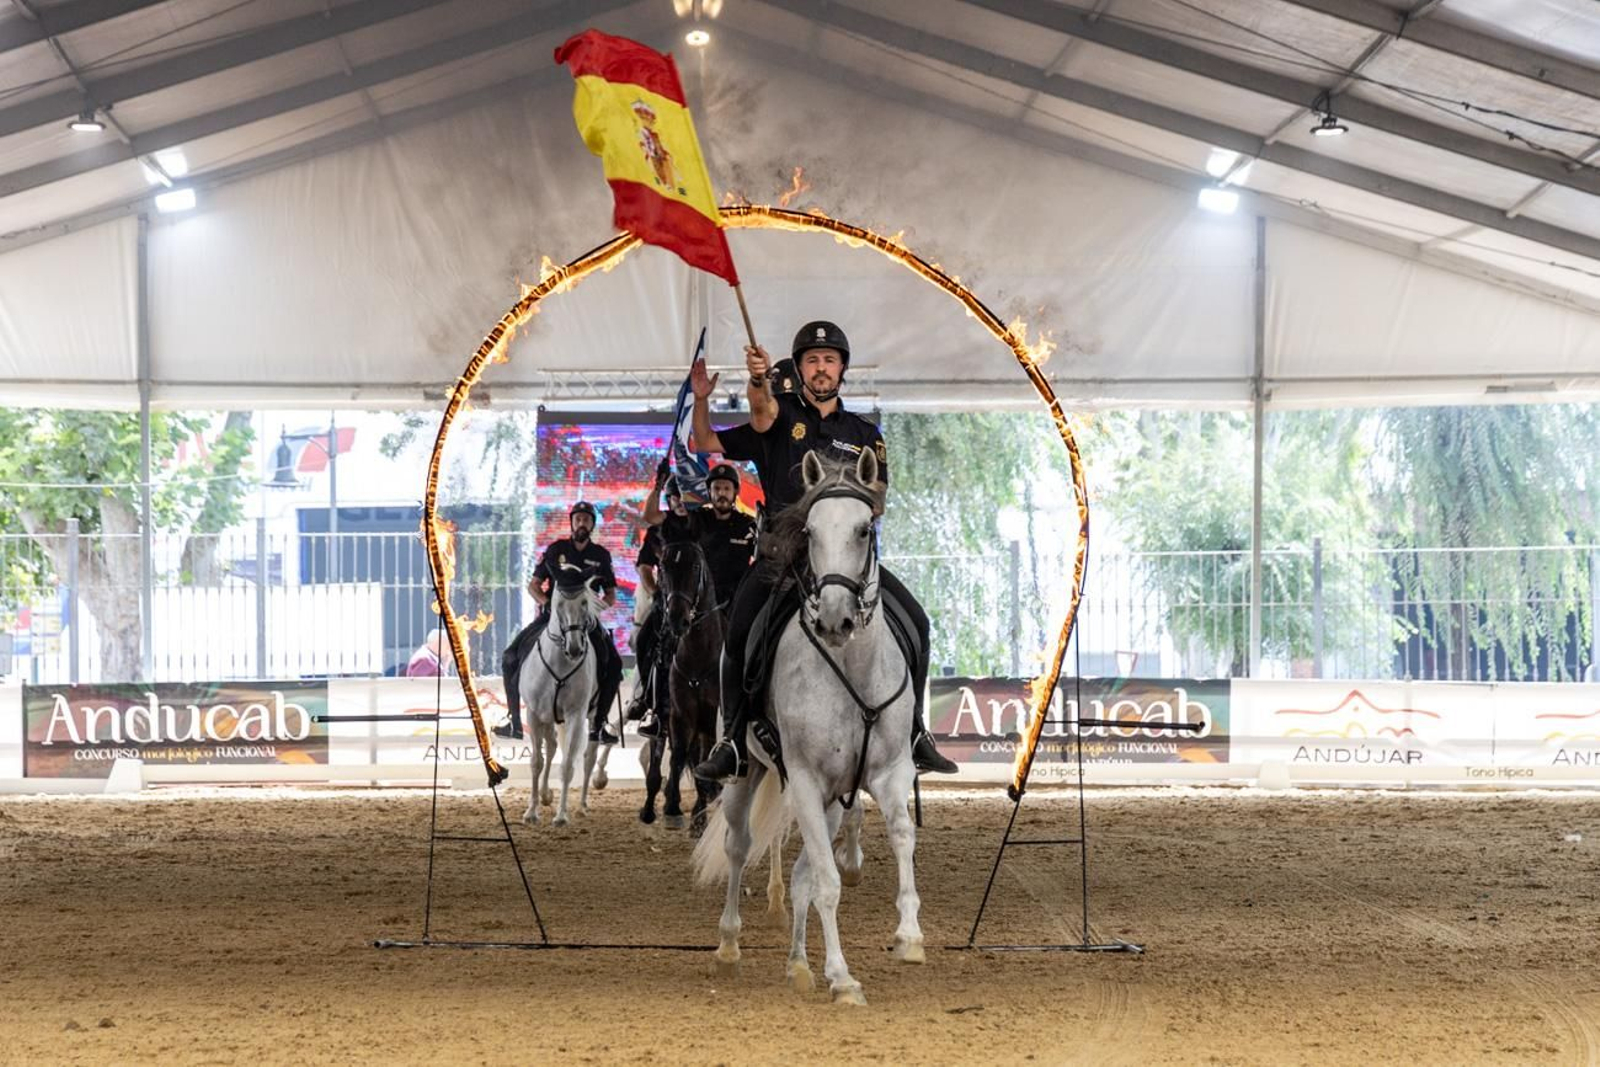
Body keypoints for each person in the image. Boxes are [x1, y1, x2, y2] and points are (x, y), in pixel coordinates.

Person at [689, 320, 957, 782]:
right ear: (799, 367)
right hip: (781, 561)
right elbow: (747, 417)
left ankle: (914, 732)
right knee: (737, 638)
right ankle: (732, 740)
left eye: (829, 360)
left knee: (917, 622)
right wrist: (753, 380)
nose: (821, 368)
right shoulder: (779, 417)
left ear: (842, 369)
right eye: (812, 360)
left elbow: (878, 500)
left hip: (845, 562)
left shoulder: (865, 432)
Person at [633, 462, 758, 739]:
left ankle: (755, 708)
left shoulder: (749, 525)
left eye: (726, 488)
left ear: (735, 492)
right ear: (710, 492)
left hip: (736, 604)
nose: (721, 493)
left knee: (759, 646)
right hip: (697, 605)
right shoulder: (696, 521)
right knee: (655, 642)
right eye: (716, 489)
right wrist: (657, 485)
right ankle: (654, 707)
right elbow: (652, 516)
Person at [494, 501, 624, 744]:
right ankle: (513, 721)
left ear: (592, 524)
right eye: (578, 519)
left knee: (614, 664)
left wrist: (595, 609)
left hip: (585, 620)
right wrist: (547, 603)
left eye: (586, 519)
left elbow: (611, 595)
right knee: (510, 657)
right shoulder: (556, 550)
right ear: (572, 523)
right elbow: (534, 585)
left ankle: (599, 724)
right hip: (552, 617)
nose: (582, 523)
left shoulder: (601, 555)